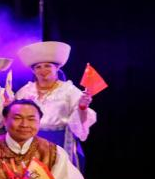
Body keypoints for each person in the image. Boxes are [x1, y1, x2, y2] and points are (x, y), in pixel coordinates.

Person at [14, 41, 95, 169]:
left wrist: (82, 107)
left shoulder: (69, 90)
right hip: (30, 142)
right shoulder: (26, 91)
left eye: (47, 66)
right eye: (38, 67)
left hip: (58, 142)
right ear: (33, 70)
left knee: (56, 178)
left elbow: (80, 121)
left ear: (57, 68)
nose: (43, 70)